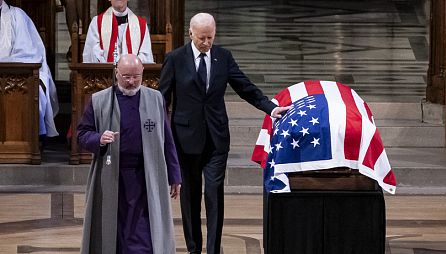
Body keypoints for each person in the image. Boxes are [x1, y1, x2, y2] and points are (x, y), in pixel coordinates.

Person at [159, 12, 290, 254]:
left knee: (213, 193)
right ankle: (194, 249)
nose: (206, 43)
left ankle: (213, 249)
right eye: (201, 38)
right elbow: (161, 98)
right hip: (185, 140)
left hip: (216, 139)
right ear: (191, 34)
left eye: (210, 37)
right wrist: (159, 134)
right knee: (190, 199)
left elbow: (245, 87)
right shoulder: (175, 59)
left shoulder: (223, 57)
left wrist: (271, 109)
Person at [77, 54, 180, 253]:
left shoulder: (155, 98)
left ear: (143, 73)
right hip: (114, 177)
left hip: (147, 177)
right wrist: (98, 138)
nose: (131, 82)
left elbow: (167, 139)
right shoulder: (99, 101)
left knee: (145, 231)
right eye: (126, 76)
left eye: (136, 76)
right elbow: (82, 134)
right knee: (115, 230)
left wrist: (175, 175)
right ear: (116, 73)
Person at [0, 0, 59, 138]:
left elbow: (28, 54)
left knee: (33, 92)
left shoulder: (17, 16)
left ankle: (26, 142)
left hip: (16, 74)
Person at [83, 0, 154, 63]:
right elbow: (92, 52)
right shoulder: (96, 22)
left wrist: (128, 66)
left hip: (131, 74)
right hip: (106, 74)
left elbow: (145, 56)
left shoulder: (141, 25)